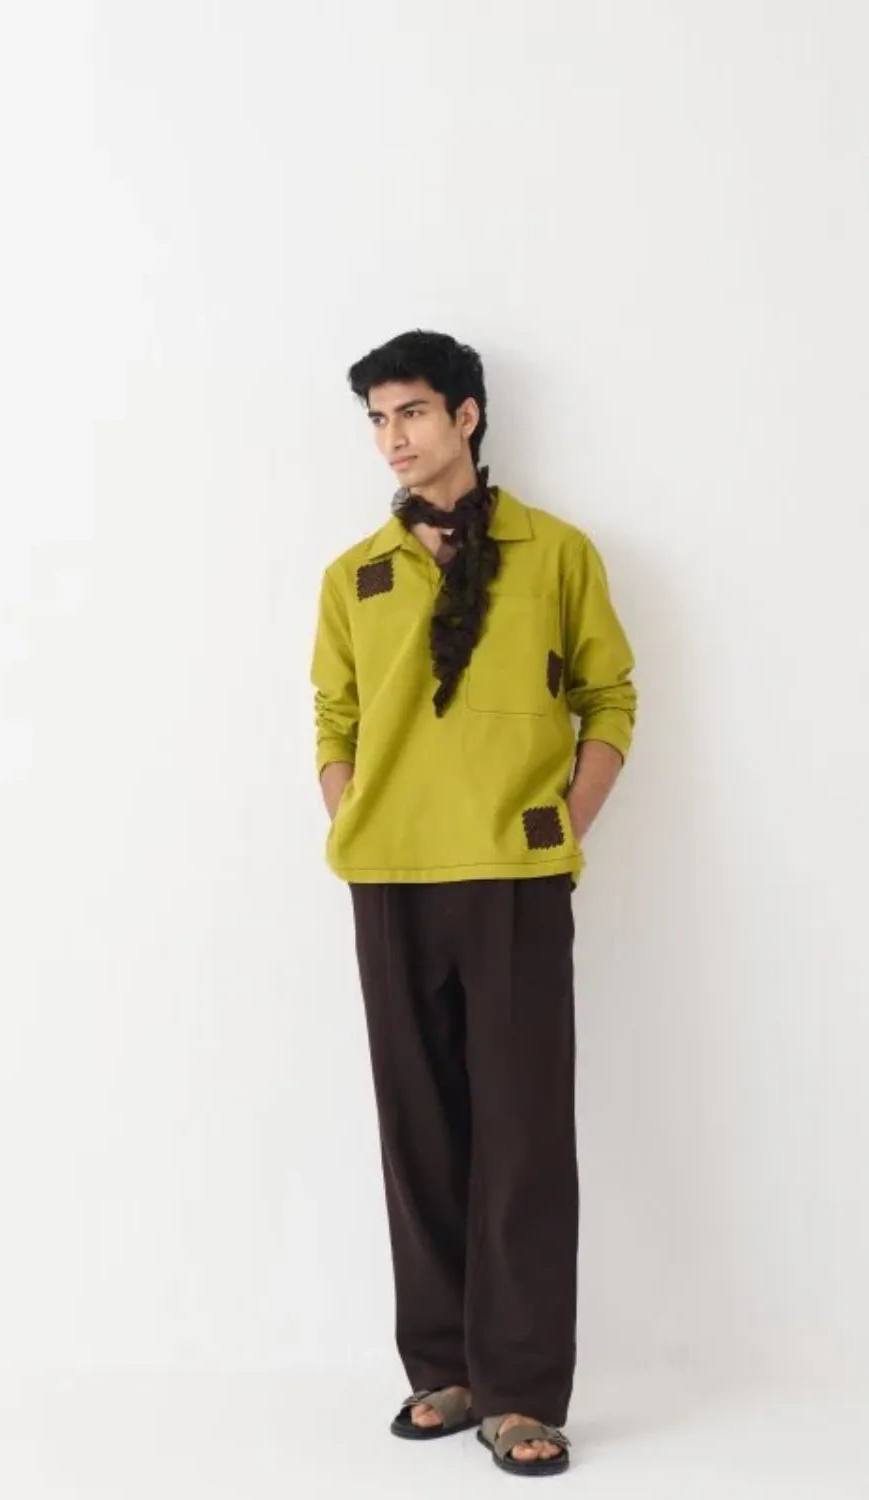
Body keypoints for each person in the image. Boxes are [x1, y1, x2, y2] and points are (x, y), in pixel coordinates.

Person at [309, 329, 637, 1477]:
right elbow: (333, 718)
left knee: (523, 1135)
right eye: (375, 420)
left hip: (512, 876)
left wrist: (562, 823)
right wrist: (351, 817)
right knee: (419, 1132)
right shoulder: (354, 575)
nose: (391, 438)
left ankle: (521, 1389)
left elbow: (607, 696)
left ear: (465, 415)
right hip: (389, 879)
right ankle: (443, 1369)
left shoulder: (555, 554)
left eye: (409, 412)